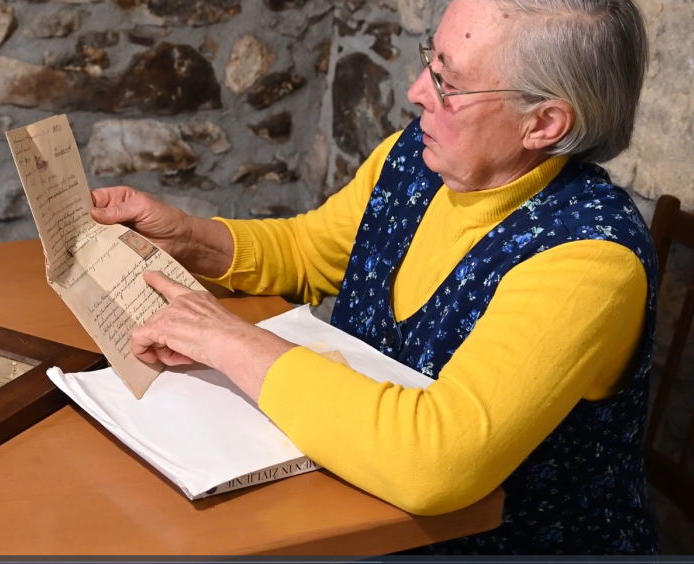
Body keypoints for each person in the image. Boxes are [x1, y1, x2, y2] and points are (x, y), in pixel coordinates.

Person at [91, 0, 659, 554]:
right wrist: (187, 238)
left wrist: (229, 340)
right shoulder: (420, 159)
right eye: (430, 60)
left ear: (543, 123)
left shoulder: (590, 260)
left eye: (449, 83)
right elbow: (310, 250)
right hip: (351, 504)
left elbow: (435, 462)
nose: (416, 90)